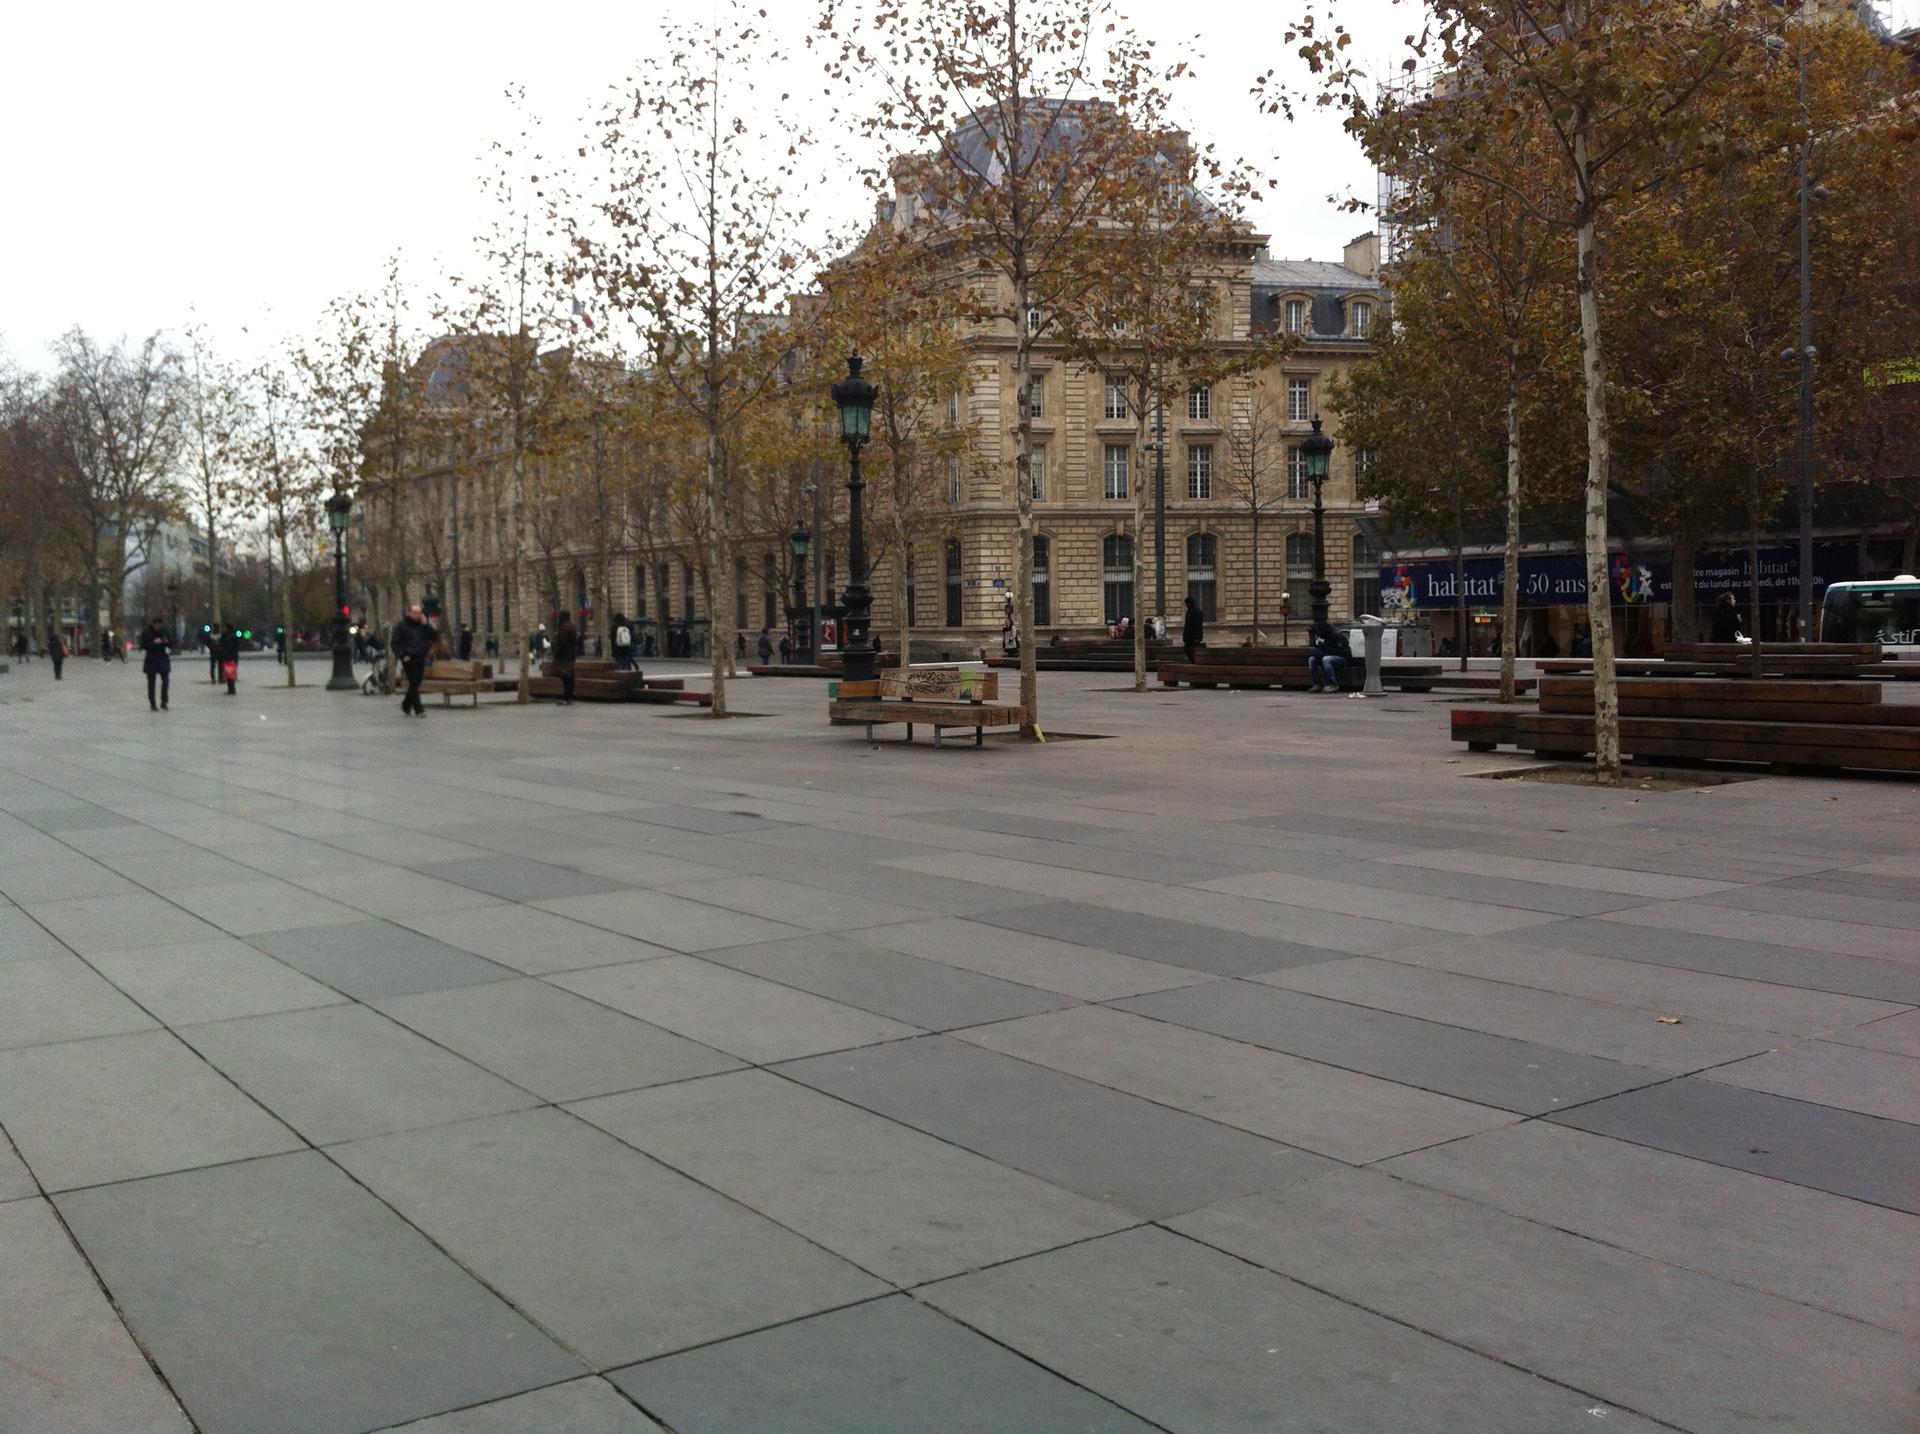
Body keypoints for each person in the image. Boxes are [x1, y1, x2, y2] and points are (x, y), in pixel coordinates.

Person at [390, 603, 435, 717]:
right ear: (409, 613)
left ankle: (406, 704)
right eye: (414, 613)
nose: (417, 615)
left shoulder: (422, 625)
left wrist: (426, 625)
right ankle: (419, 709)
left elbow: (434, 636)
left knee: (416, 682)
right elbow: (395, 643)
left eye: (419, 613)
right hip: (408, 658)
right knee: (414, 681)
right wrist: (402, 655)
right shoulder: (402, 626)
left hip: (420, 657)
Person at [1307, 618, 1351, 693]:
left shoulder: (1338, 637)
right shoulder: (1321, 638)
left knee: (1326, 659)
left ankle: (1332, 684)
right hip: (1327, 656)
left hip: (1342, 659)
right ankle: (1317, 684)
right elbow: (1317, 648)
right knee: (1312, 659)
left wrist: (1324, 648)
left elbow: (1340, 652)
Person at [139, 618, 172, 711]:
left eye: (160, 625)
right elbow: (143, 645)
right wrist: (153, 643)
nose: (158, 627)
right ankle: (152, 703)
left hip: (163, 658)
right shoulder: (147, 632)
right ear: (153, 624)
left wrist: (167, 642)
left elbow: (172, 643)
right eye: (157, 625)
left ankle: (164, 701)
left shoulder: (165, 631)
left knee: (166, 680)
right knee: (151, 683)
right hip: (151, 659)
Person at [550, 610, 581, 704]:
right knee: (570, 676)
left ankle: (566, 697)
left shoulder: (563, 627)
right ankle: (569, 697)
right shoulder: (573, 626)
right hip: (571, 654)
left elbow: (562, 643)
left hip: (564, 655)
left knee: (565, 677)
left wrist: (556, 652)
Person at [215, 623, 240, 696]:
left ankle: (231, 689)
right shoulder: (229, 635)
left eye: (224, 628)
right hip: (230, 657)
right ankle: (230, 689)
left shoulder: (229, 637)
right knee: (228, 674)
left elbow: (228, 647)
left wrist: (224, 655)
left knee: (229, 674)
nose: (223, 629)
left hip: (229, 658)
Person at [1182, 595, 1205, 663]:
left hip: (1194, 638)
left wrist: (1197, 638)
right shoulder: (1189, 611)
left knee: (1192, 652)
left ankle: (1195, 664)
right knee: (1188, 650)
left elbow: (1198, 626)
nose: (1186, 605)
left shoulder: (1196, 612)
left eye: (1187, 603)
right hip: (1189, 638)